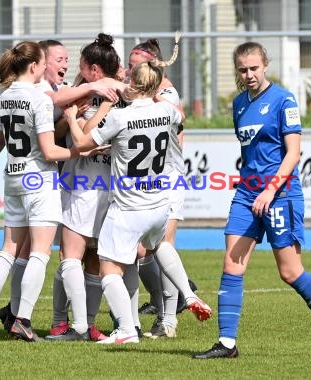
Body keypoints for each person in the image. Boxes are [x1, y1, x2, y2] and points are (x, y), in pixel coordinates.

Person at [193, 41, 311, 359]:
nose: (249, 74)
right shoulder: (239, 104)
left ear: (265, 65)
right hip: (247, 193)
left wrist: (270, 189)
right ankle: (227, 344)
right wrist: (253, 187)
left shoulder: (284, 100)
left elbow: (293, 152)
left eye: (254, 68)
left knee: (290, 272)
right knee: (231, 263)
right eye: (243, 69)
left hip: (280, 194)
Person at [63, 57, 195, 344]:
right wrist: (155, 89)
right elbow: (178, 114)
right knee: (154, 251)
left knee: (110, 268)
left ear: (133, 85)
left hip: (127, 204)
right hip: (158, 202)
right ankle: (185, 297)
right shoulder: (168, 112)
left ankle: (126, 328)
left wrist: (72, 118)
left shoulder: (120, 117)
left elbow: (84, 144)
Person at [0, 40, 80, 342]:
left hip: (13, 179)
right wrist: (78, 152)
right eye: (44, 62)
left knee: (8, 250)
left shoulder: (3, 99)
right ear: (34, 66)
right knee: (40, 253)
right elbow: (48, 151)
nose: (47, 66)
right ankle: (23, 320)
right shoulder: (40, 99)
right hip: (39, 182)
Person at [45, 33, 128, 342]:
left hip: (84, 184)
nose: (75, 70)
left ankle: (72, 325)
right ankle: (85, 325)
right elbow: (57, 131)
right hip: (111, 187)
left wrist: (76, 116)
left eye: (80, 65)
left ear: (94, 69)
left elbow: (85, 140)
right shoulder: (127, 93)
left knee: (70, 256)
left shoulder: (91, 95)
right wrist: (69, 119)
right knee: (93, 259)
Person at [126, 36, 201, 339]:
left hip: (167, 181)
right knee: (141, 251)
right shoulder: (141, 93)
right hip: (143, 183)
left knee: (160, 247)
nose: (128, 73)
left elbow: (178, 120)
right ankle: (164, 305)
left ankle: (169, 317)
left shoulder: (166, 94)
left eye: (133, 67)